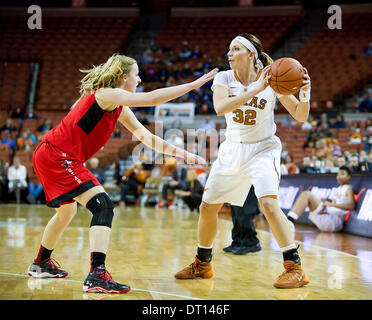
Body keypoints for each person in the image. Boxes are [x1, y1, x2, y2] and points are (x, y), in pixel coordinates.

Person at [27, 53, 217, 294]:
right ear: (124, 77)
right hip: (57, 155)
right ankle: (97, 275)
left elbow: (146, 137)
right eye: (136, 76)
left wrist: (183, 154)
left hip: (53, 154)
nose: (138, 81)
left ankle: (41, 263)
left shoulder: (118, 107)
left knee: (67, 212)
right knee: (103, 206)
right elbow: (150, 98)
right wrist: (193, 84)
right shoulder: (106, 94)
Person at [175, 33, 311, 289]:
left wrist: (305, 92)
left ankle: (294, 267)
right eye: (229, 48)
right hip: (232, 149)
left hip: (263, 148)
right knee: (207, 207)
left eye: (235, 49)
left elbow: (300, 115)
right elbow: (220, 107)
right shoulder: (224, 77)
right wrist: (255, 89)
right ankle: (203, 263)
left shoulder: (272, 78)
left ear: (252, 54)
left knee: (268, 204)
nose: (229, 53)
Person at [287, 166, 354, 232]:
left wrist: (331, 204)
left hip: (335, 221)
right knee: (307, 196)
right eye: (338, 174)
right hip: (329, 215)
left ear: (349, 176)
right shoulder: (339, 188)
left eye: (342, 174)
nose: (339, 176)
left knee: (307, 194)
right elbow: (338, 202)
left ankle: (288, 222)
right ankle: (289, 221)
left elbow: (351, 206)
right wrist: (328, 200)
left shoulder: (348, 189)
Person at [223, 186, 261, 255]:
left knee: (244, 210)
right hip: (237, 180)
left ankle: (251, 242)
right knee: (235, 211)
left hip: (248, 180)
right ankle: (238, 242)